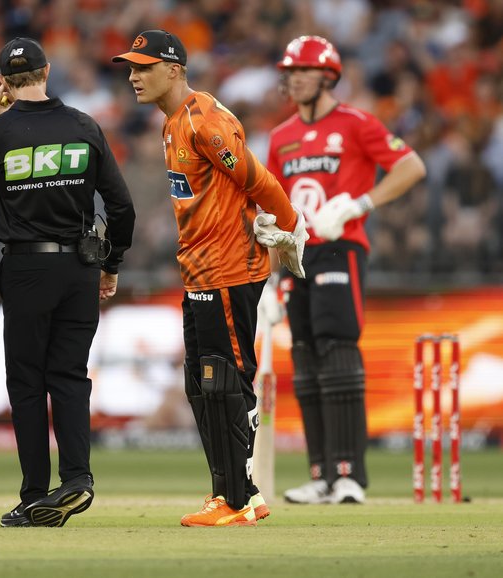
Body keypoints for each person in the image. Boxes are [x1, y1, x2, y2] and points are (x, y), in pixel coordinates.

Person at [112, 30, 307, 527]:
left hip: (228, 269)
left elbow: (256, 178)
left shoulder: (204, 122)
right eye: (131, 67)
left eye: (144, 66)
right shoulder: (173, 122)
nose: (133, 76)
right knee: (201, 385)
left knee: (226, 381)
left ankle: (238, 499)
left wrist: (289, 229)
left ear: (174, 69)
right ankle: (235, 493)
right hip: (201, 269)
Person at [0, 38, 135, 528]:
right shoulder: (82, 126)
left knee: (27, 383)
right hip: (80, 266)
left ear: (3, 83)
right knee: (69, 376)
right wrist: (111, 265)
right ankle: (76, 479)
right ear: (47, 71)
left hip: (27, 267)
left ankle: (34, 495)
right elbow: (122, 207)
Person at [266, 35, 427, 504]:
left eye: (303, 70)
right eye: (289, 71)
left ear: (328, 75)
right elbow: (275, 207)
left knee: (338, 353)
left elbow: (411, 166)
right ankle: (320, 474)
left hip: (340, 249)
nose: (293, 78)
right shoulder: (280, 136)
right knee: (305, 359)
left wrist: (360, 202)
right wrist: (272, 277)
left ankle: (349, 473)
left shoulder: (356, 124)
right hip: (297, 256)